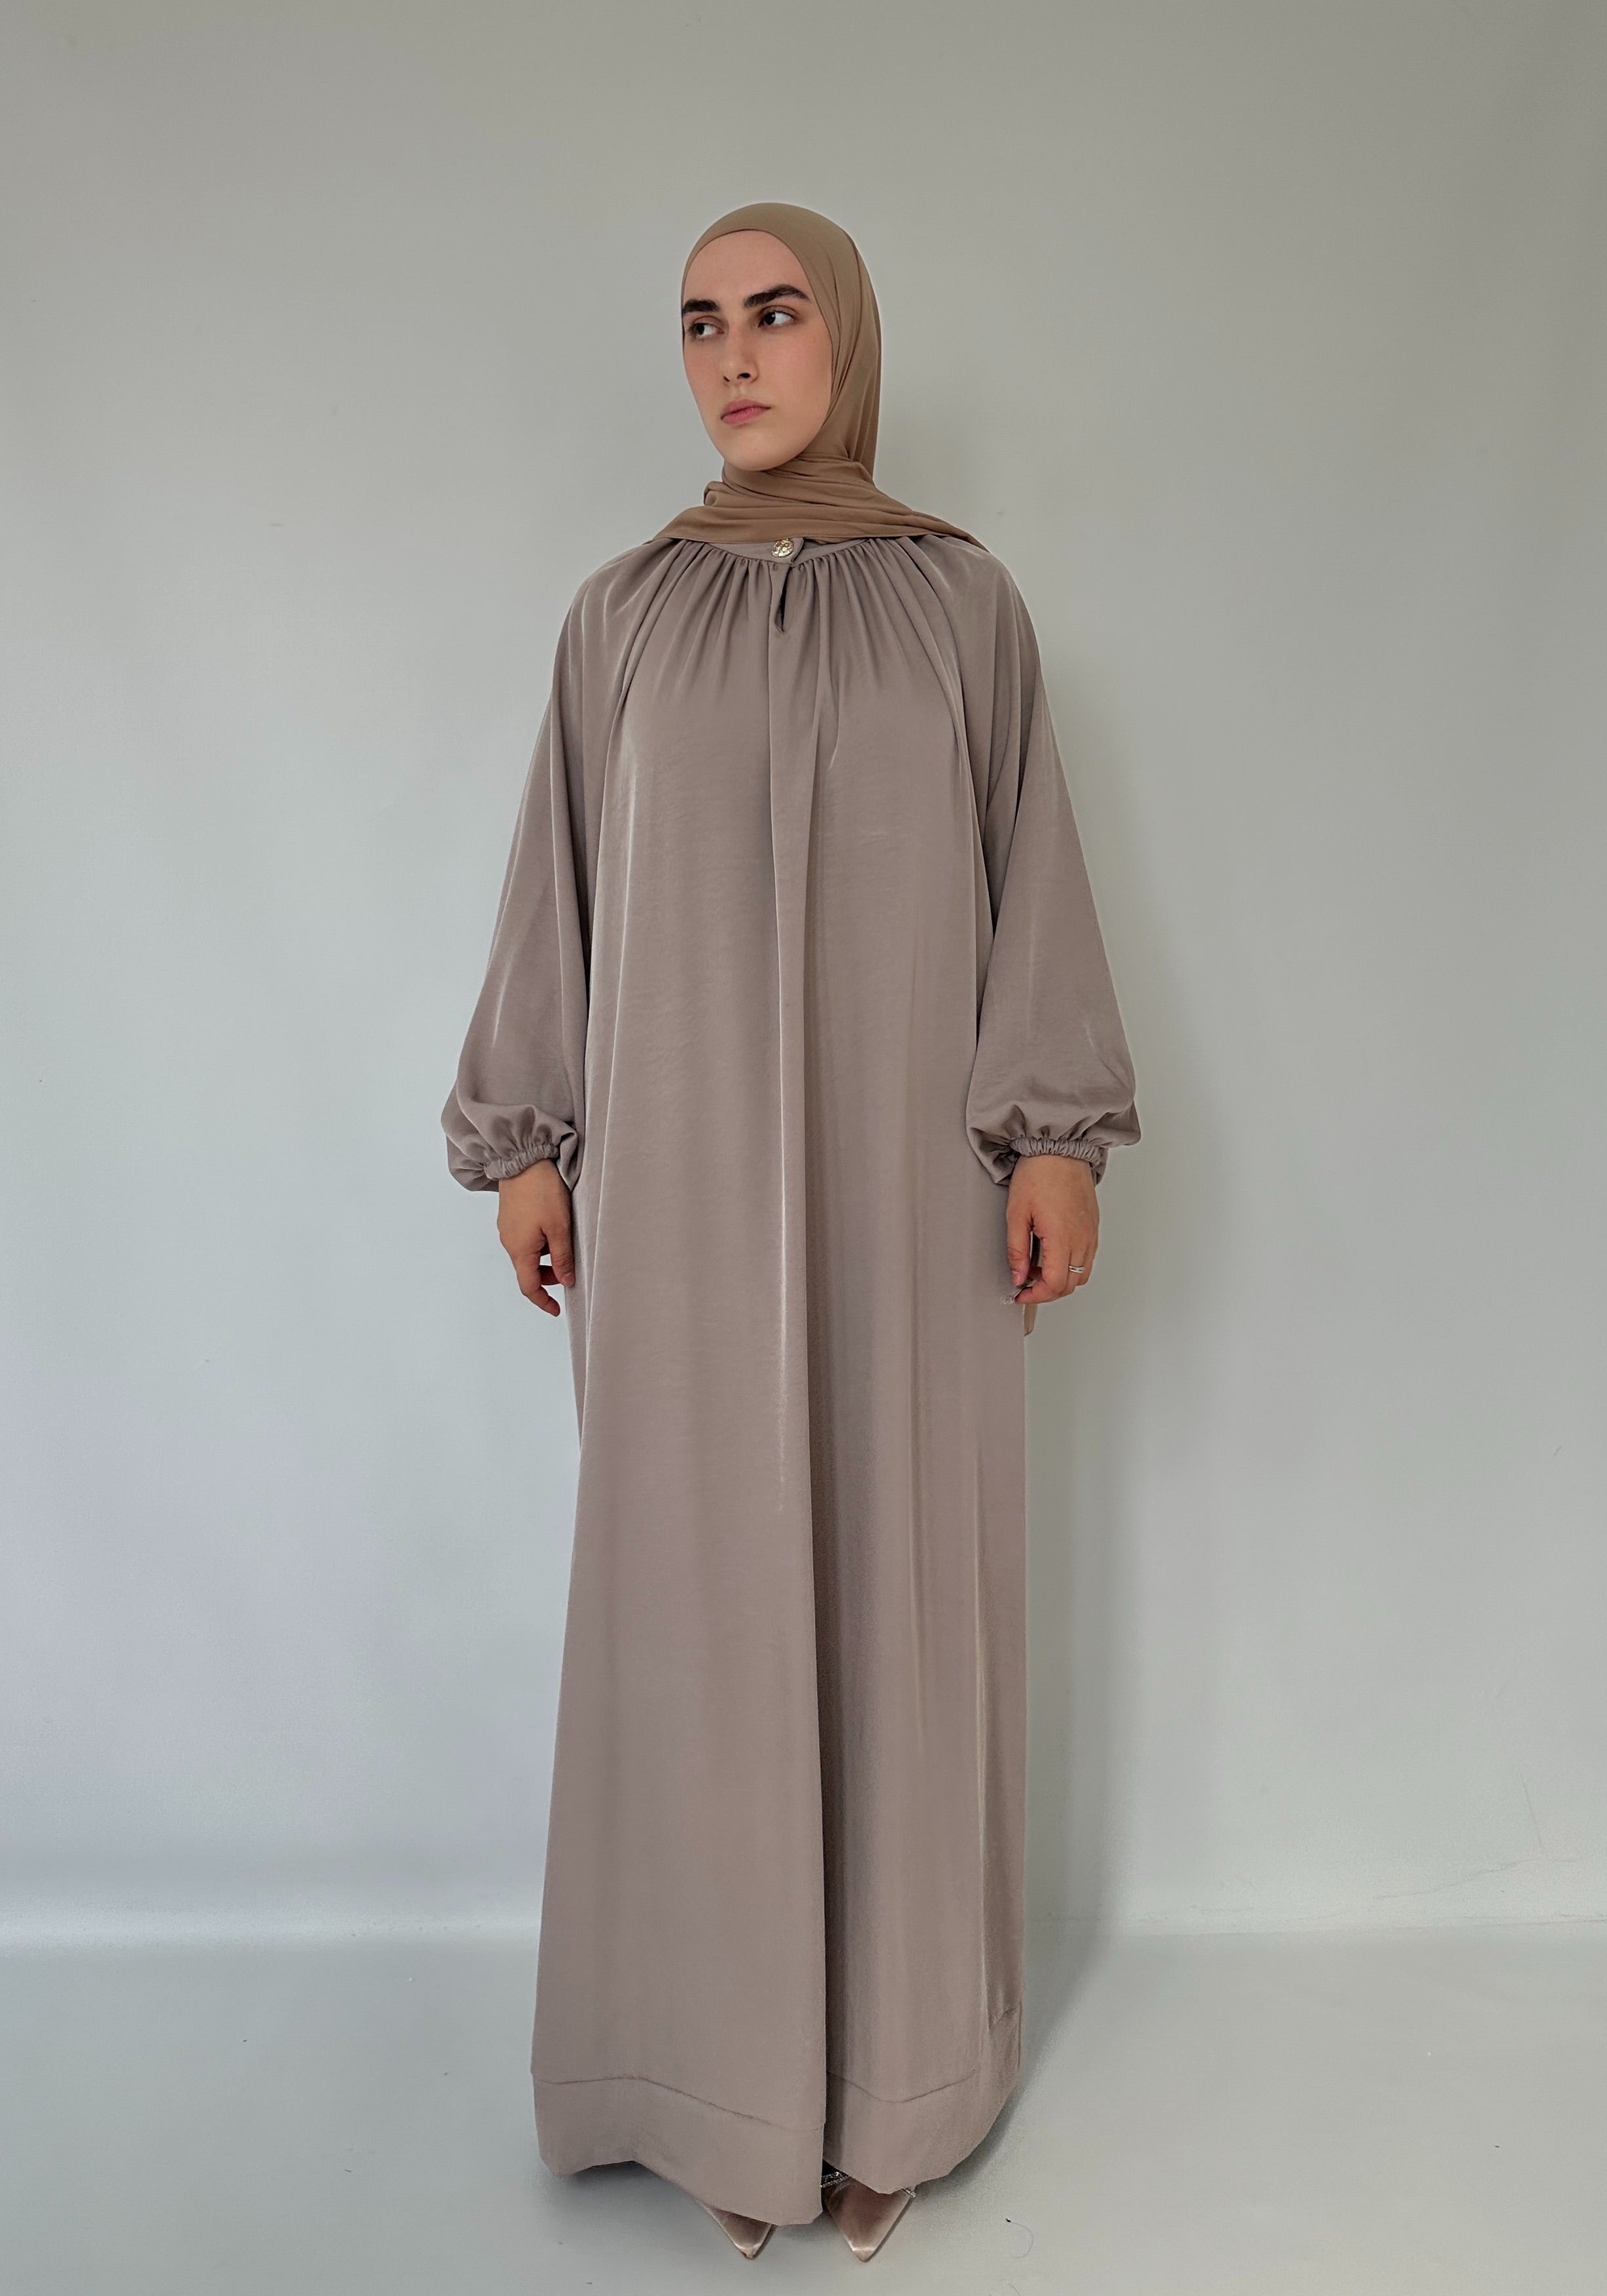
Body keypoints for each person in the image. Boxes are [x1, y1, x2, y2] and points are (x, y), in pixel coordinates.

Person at [441, 201, 1140, 2263]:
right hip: (674, 1208)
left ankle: (896, 2081)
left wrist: (1056, 1136)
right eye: (700, 324)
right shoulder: (621, 618)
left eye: (775, 314)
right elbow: (559, 885)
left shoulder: (962, 607)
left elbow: (1031, 872)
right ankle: (712, 2079)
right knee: (697, 1608)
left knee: (898, 1595)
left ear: (848, 338)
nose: (735, 357)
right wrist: (529, 1139)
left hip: (913, 1203)